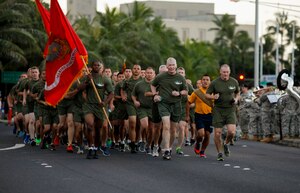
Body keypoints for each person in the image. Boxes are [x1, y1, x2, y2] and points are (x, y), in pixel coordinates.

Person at [151, 57, 188, 160]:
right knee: (166, 126)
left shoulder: (181, 78)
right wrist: (155, 95)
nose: (171, 67)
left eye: (173, 65)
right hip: (163, 104)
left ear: (176, 66)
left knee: (173, 129)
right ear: (167, 66)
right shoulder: (161, 76)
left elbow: (185, 91)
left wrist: (179, 93)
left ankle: (169, 147)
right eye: (169, 65)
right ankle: (166, 150)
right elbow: (153, 85)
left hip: (176, 105)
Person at [205, 64, 240, 161]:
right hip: (218, 109)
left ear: (229, 72)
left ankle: (226, 144)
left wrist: (236, 99)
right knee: (217, 133)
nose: (225, 74)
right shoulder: (215, 83)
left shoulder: (234, 81)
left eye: (227, 72)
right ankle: (219, 153)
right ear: (220, 72)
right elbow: (207, 95)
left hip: (230, 109)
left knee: (232, 132)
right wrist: (213, 97)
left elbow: (237, 92)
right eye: (224, 72)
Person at [188, 74, 213, 158]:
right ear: (201, 81)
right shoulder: (196, 92)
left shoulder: (213, 92)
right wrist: (187, 115)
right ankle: (198, 142)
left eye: (207, 80)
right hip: (199, 115)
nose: (205, 81)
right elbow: (188, 103)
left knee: (207, 135)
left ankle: (202, 151)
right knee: (201, 133)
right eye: (204, 80)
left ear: (210, 82)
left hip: (210, 116)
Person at [151, 64, 168, 157]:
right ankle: (155, 145)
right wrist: (155, 95)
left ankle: (166, 148)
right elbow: (148, 92)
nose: (164, 74)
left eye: (165, 72)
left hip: (167, 106)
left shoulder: (171, 80)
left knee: (166, 127)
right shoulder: (155, 81)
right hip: (157, 105)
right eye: (162, 72)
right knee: (157, 128)